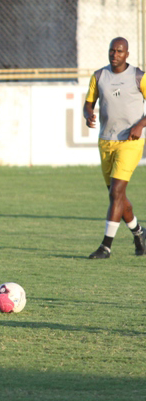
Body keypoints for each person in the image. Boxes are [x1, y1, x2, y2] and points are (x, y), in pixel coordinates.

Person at [84, 37, 146, 258]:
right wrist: (87, 114)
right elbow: (89, 102)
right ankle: (139, 233)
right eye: (112, 50)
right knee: (116, 196)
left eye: (119, 51)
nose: (115, 54)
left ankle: (106, 246)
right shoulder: (99, 76)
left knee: (116, 192)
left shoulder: (139, 76)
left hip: (130, 142)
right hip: (106, 140)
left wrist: (140, 124)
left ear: (127, 54)